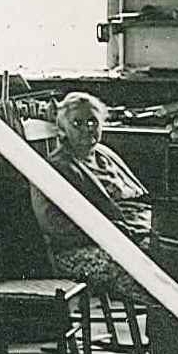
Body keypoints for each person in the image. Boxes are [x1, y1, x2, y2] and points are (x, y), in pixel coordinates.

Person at [27, 91, 151, 301]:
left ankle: (171, 329)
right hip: (78, 248)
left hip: (132, 234)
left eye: (93, 121)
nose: (88, 128)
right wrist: (107, 234)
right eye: (78, 123)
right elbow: (52, 223)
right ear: (63, 129)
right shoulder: (54, 167)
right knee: (150, 272)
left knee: (176, 257)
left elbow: (139, 197)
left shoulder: (104, 153)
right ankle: (170, 327)